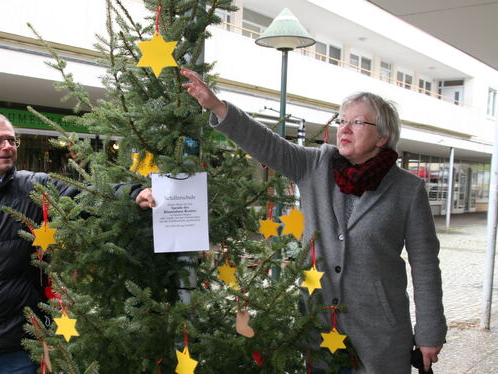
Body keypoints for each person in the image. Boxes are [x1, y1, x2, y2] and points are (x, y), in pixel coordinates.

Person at [178, 67, 446, 374]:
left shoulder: (408, 189)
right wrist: (217, 106)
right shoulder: (315, 165)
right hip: (318, 328)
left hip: (380, 333)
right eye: (342, 120)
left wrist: (429, 332)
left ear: (382, 137)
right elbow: (266, 144)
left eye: (357, 122)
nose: (344, 128)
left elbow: (425, 264)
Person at [0, 113, 154, 373]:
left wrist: (133, 194)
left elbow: (85, 195)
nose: (8, 147)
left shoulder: (35, 187)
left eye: (12, 141)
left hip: (24, 337)